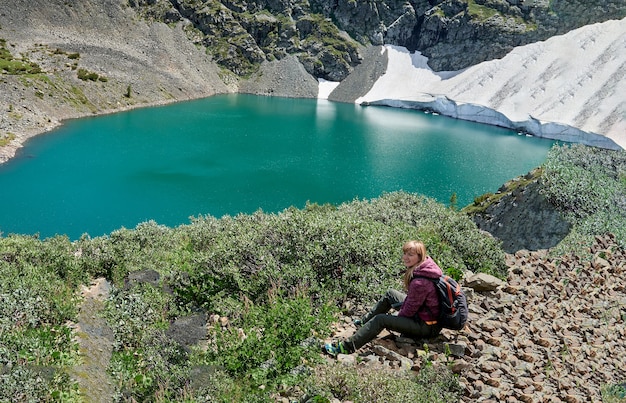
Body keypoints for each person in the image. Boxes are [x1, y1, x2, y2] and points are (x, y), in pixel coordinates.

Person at [324, 240, 443, 356]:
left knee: (381, 320)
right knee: (391, 294)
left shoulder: (420, 282)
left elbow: (409, 311)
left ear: (420, 256)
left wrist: (395, 321)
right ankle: (365, 323)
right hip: (426, 316)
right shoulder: (426, 267)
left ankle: (345, 348)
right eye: (405, 253)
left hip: (427, 325)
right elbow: (413, 303)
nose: (405, 257)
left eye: (410, 255)